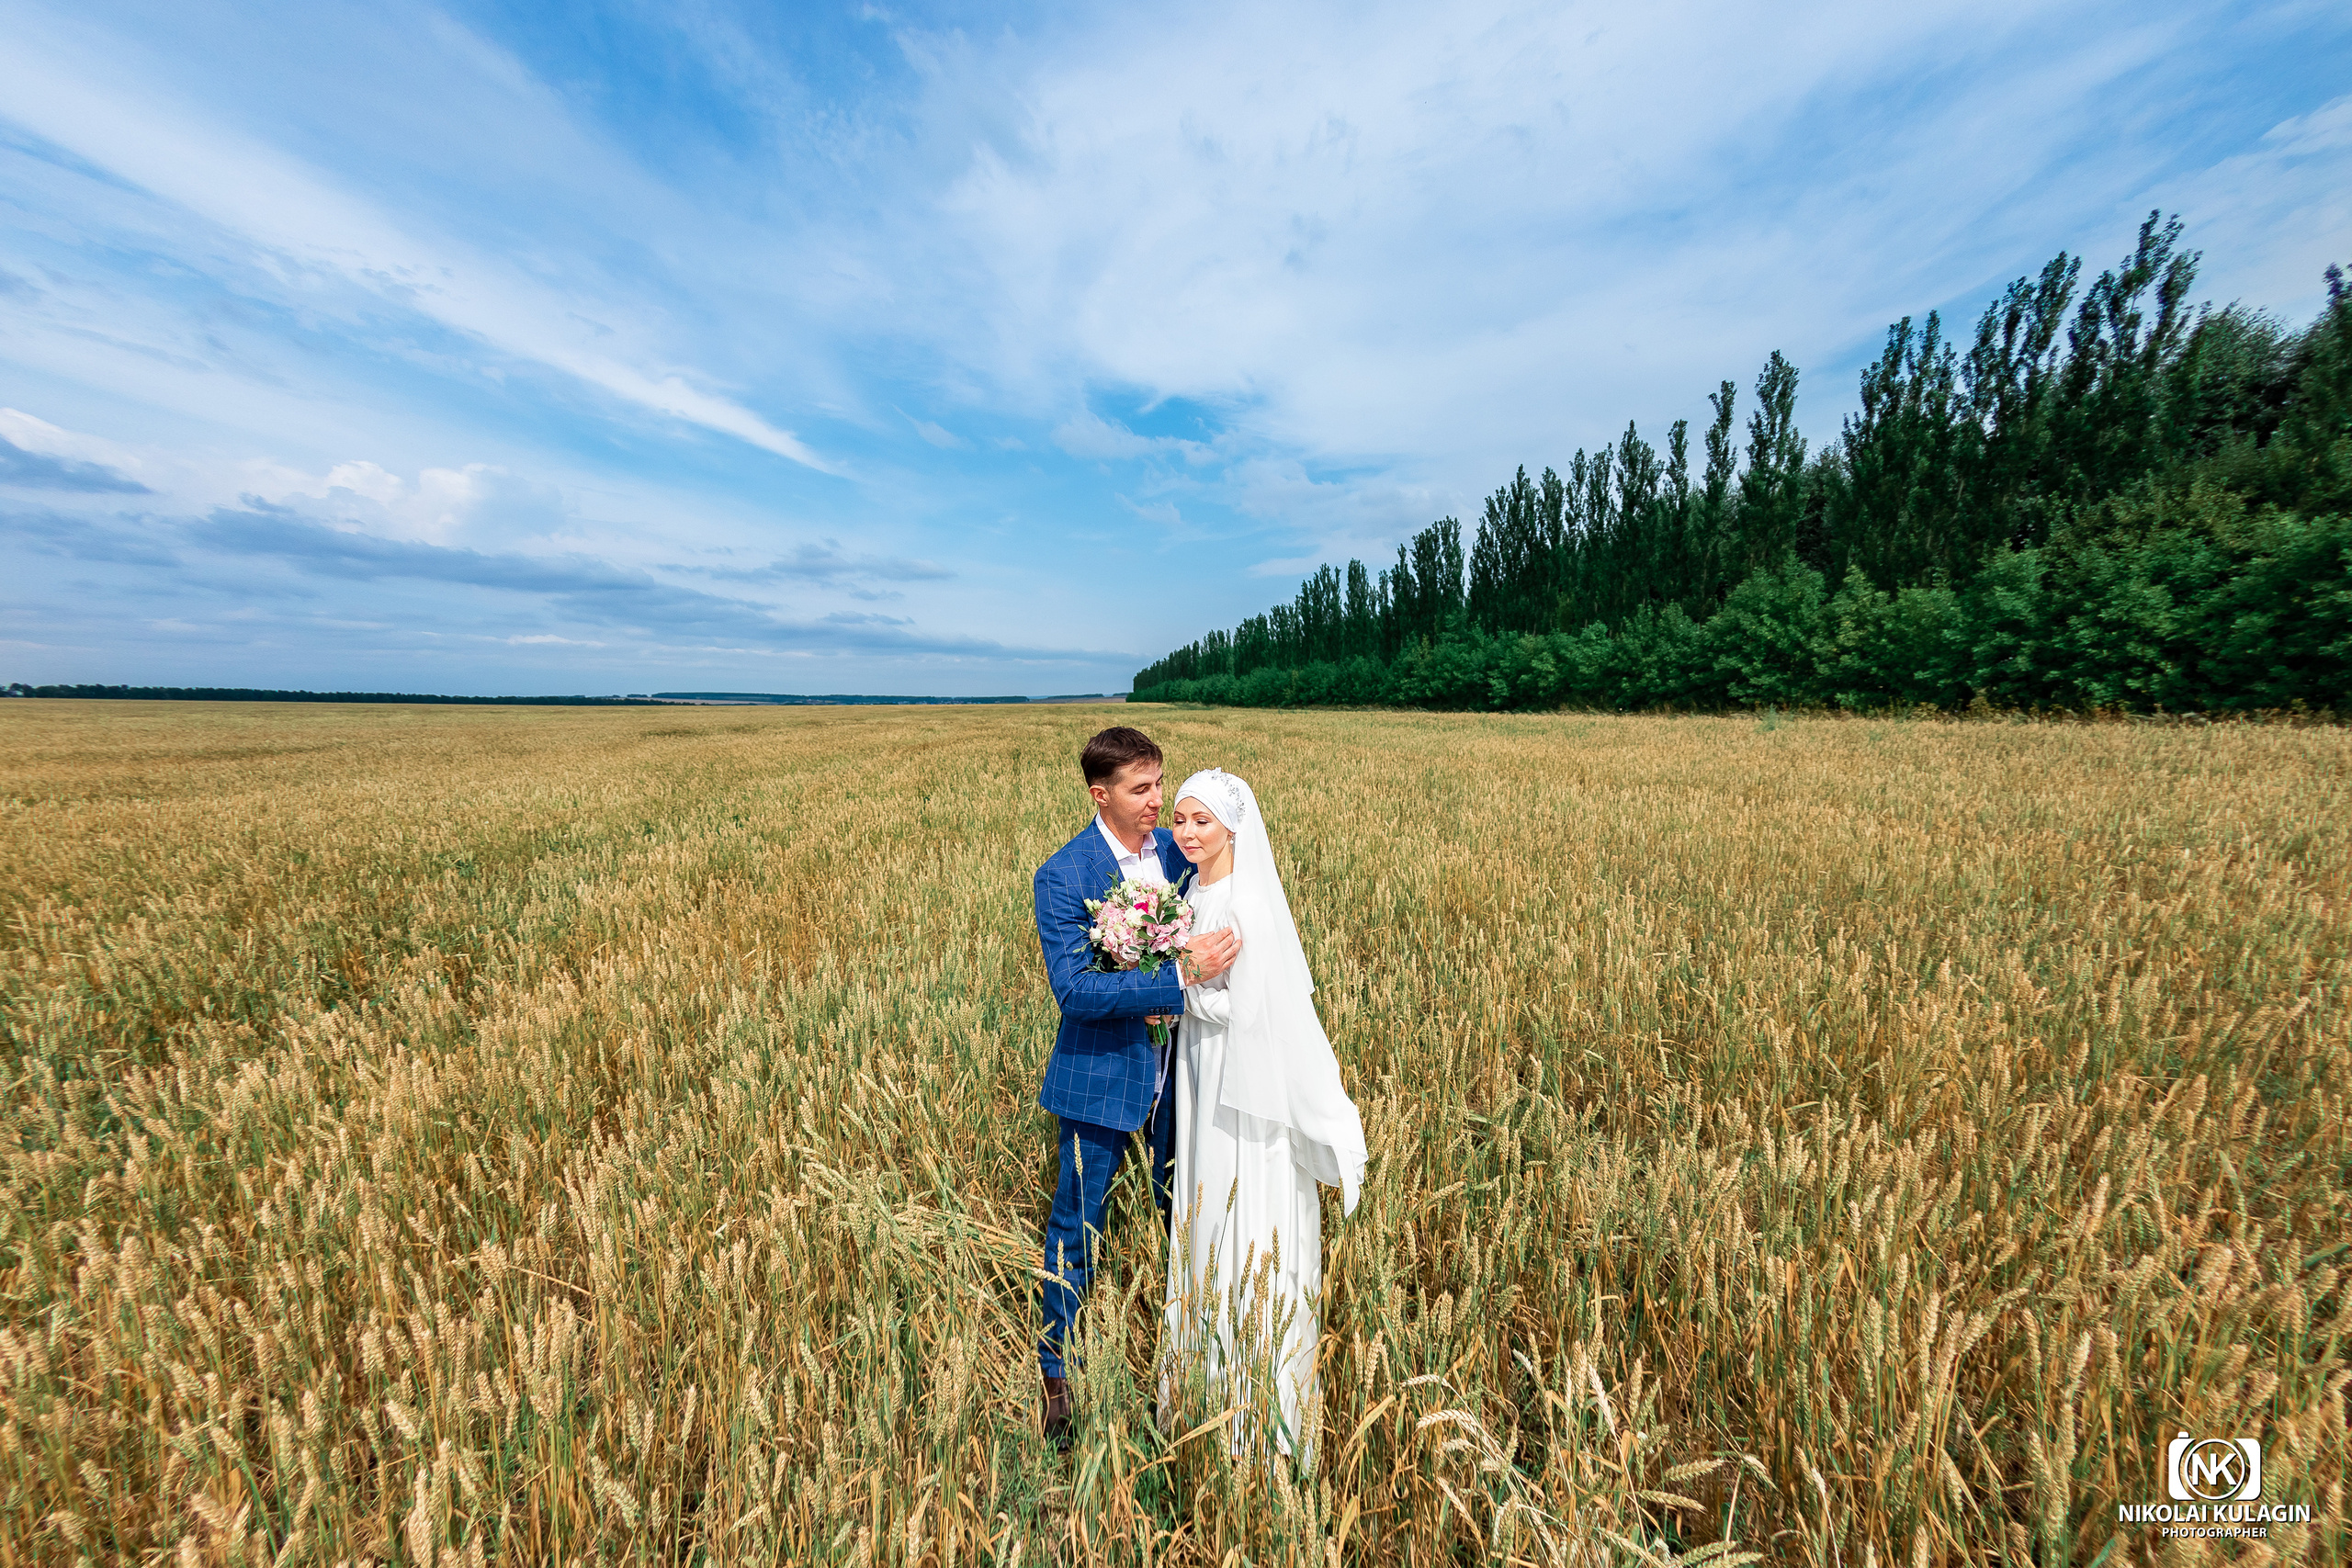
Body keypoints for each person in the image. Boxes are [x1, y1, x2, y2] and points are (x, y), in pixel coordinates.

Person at [1031, 727, 1240, 1446]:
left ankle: (1174, 1349)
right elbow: (1076, 991)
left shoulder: (1182, 857)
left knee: (1176, 1210)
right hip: (1100, 1077)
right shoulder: (1064, 875)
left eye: (1160, 784)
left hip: (1182, 1072)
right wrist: (1174, 979)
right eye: (1142, 789)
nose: (1159, 802)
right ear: (1102, 794)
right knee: (1076, 1227)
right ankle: (1058, 1373)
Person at [1160, 767, 1365, 1470]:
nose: (1187, 832)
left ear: (1233, 828)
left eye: (1201, 822)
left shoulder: (1244, 895)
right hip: (1202, 1070)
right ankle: (1202, 1393)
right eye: (1180, 819)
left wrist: (1178, 989)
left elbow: (1254, 1008)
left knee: (1236, 1211)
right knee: (1203, 1211)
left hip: (1235, 1085)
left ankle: (1256, 1415)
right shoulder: (1193, 887)